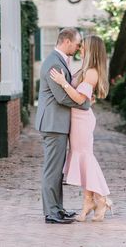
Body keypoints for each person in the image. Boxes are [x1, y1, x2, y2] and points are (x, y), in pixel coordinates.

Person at [50, 34, 113, 222]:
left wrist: (63, 83)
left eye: (83, 46)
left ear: (91, 49)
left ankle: (101, 200)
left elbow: (79, 99)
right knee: (83, 160)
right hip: (76, 119)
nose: (80, 48)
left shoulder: (92, 72)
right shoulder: (85, 69)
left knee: (86, 158)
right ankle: (88, 201)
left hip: (82, 121)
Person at [35, 27, 91, 224]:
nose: (78, 48)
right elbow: (61, 97)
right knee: (52, 169)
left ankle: (58, 208)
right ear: (67, 41)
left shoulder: (58, 60)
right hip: (53, 124)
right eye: (77, 44)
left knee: (57, 169)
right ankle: (51, 213)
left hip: (57, 123)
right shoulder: (53, 63)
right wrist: (84, 103)